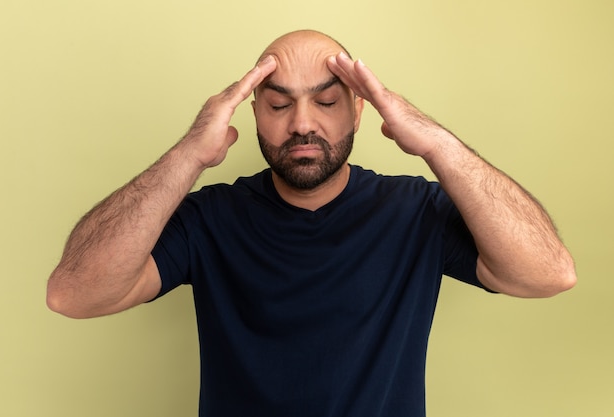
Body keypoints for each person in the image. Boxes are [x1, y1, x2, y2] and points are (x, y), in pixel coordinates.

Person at [47, 30, 577, 416]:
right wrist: (188, 154)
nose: (303, 123)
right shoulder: (210, 217)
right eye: (278, 104)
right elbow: (73, 294)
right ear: (254, 113)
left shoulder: (416, 211)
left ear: (359, 112)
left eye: (326, 101)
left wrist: (436, 141)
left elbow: (547, 274)